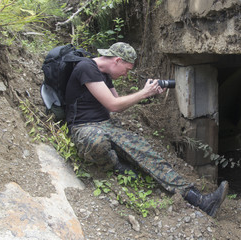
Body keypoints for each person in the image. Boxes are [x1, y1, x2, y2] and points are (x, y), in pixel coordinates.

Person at [65, 42, 228, 217]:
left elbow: (118, 104)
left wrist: (148, 94)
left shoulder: (104, 73)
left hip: (106, 125)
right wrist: (144, 92)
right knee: (96, 142)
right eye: (126, 69)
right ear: (117, 60)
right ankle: (116, 165)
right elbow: (114, 105)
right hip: (84, 127)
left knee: (148, 154)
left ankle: (200, 200)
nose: (126, 74)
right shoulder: (86, 67)